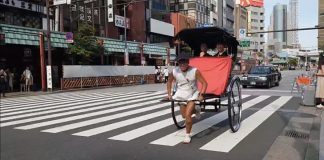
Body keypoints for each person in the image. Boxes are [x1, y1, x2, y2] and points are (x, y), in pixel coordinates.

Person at [166, 52, 208, 144]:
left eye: (184, 62)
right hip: (180, 94)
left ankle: (187, 135)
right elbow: (169, 82)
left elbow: (204, 83)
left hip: (192, 94)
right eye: (180, 62)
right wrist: (169, 94)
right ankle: (196, 109)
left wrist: (202, 94)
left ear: (188, 62)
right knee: (184, 115)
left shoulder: (195, 71)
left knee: (188, 115)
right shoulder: (175, 71)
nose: (182, 64)